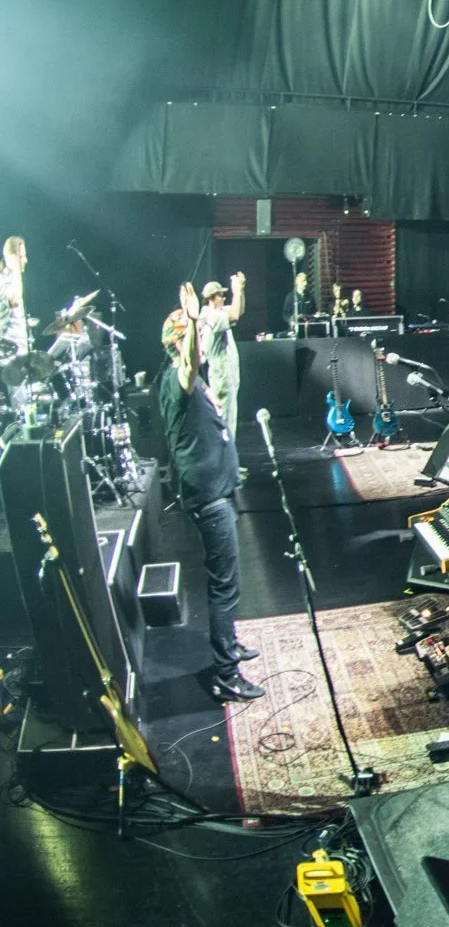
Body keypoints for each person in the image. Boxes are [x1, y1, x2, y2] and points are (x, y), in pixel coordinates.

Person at [157, 283, 261, 701]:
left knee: (228, 581)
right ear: (180, 345)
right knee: (224, 586)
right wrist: (194, 322)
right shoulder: (179, 380)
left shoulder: (190, 383)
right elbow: (190, 363)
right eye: (192, 337)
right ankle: (225, 673)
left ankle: (230, 645)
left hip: (217, 491)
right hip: (208, 498)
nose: (200, 342)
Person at [197, 274, 246, 437]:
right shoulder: (210, 315)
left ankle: (228, 455)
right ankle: (225, 456)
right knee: (225, 414)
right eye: (221, 295)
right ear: (211, 298)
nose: (224, 298)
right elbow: (234, 316)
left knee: (230, 412)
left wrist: (241, 290)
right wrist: (236, 290)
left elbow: (239, 310)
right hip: (221, 371)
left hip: (227, 369)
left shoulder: (217, 311)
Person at [0, 235, 29, 357]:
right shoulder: (5, 279)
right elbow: (15, 300)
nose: (25, 260)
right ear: (11, 257)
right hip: (9, 356)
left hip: (17, 355)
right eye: (21, 256)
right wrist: (16, 269)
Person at [281, 270, 317, 336]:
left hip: (308, 331)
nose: (305, 283)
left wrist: (310, 322)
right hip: (294, 331)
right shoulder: (290, 297)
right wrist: (291, 321)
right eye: (303, 281)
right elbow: (285, 314)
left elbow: (314, 313)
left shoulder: (310, 297)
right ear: (297, 282)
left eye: (306, 281)